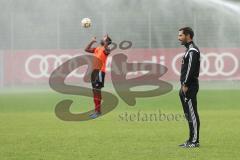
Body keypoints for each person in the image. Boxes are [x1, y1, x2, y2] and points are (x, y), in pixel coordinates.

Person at [178, 27, 201, 148]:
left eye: (181, 35)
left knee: (192, 114)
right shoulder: (188, 50)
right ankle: (191, 139)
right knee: (188, 114)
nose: (179, 38)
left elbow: (191, 69)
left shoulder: (192, 51)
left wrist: (185, 84)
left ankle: (195, 141)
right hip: (186, 87)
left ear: (188, 36)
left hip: (190, 87)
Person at [85, 35, 112, 119]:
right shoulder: (98, 49)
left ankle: (98, 111)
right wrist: (92, 41)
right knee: (94, 91)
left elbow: (107, 50)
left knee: (97, 91)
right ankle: (97, 111)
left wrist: (106, 43)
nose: (101, 39)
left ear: (107, 42)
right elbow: (86, 49)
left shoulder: (106, 50)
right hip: (94, 71)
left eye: (104, 39)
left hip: (100, 71)